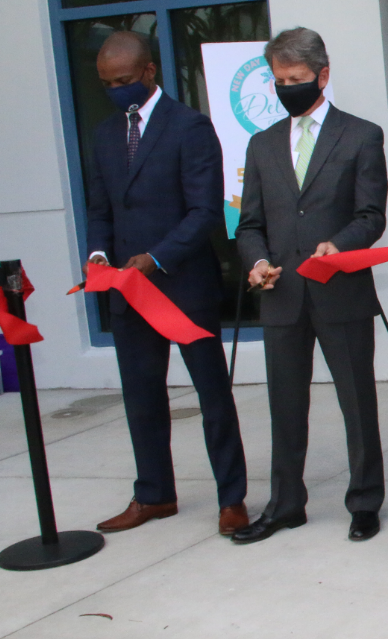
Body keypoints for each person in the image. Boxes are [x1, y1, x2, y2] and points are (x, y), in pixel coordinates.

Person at [84, 31, 248, 536]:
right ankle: (154, 494)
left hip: (182, 284)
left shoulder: (190, 128)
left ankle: (232, 498)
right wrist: (98, 258)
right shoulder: (104, 136)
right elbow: (100, 209)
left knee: (211, 393)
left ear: (149, 73)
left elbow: (205, 213)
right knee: (141, 395)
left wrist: (155, 259)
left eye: (125, 81)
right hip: (127, 293)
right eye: (107, 84)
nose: (116, 90)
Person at [232, 28, 388, 545]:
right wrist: (255, 262)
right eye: (279, 81)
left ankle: (365, 502)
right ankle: (285, 505)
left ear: (322, 75)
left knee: (356, 402)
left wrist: (338, 246)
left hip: (339, 288)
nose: (286, 88)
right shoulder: (261, 144)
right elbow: (249, 222)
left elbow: (371, 217)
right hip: (281, 294)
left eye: (295, 79)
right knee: (285, 405)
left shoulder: (361, 136)